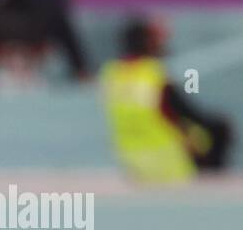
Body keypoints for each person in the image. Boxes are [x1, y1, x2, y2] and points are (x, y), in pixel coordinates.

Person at [99, 16, 234, 183]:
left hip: (130, 157)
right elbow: (187, 114)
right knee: (219, 128)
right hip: (166, 157)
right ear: (146, 42)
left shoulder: (112, 73)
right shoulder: (153, 73)